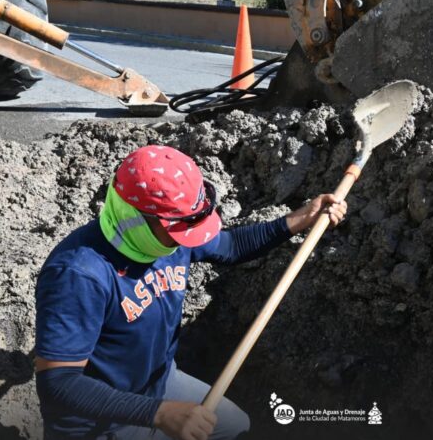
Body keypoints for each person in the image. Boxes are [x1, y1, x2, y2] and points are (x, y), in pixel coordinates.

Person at [34, 145, 347, 440]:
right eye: (178, 230)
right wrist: (159, 414)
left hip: (159, 386)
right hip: (99, 426)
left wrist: (301, 218)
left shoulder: (168, 237)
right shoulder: (78, 274)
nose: (187, 239)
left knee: (236, 427)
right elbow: (59, 383)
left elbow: (232, 246)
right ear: (135, 217)